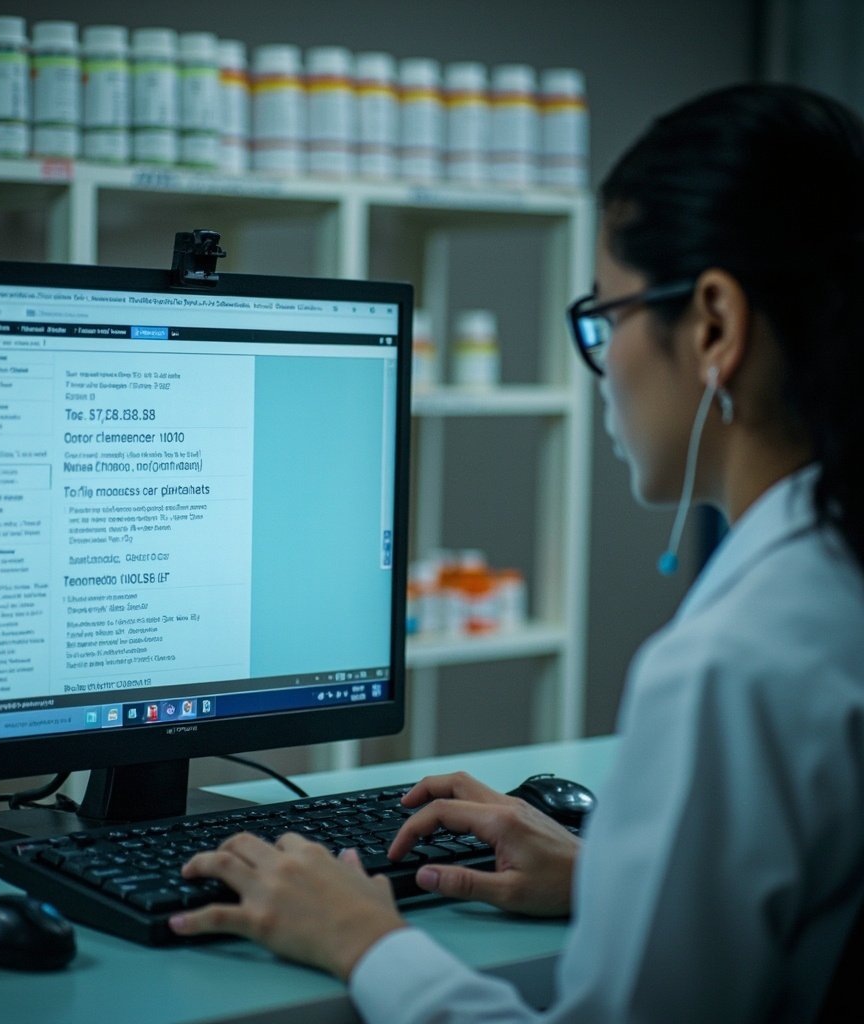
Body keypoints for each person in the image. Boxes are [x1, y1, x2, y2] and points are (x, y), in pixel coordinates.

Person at [168, 83, 864, 1023]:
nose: (605, 362)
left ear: (713, 326)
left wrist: (362, 940)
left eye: (605, 318)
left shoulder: (729, 666)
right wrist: (616, 880)